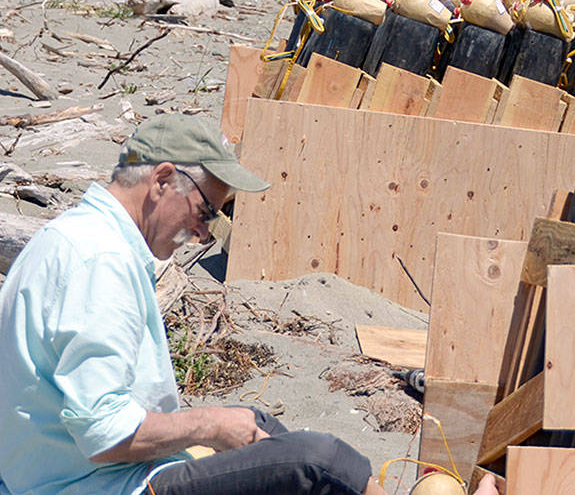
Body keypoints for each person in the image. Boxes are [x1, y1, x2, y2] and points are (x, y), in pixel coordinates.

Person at [0, 114, 386, 495]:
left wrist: (216, 424)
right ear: (162, 180)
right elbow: (106, 434)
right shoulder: (100, 260)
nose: (204, 234)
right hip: (89, 484)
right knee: (317, 462)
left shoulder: (77, 235)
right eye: (205, 213)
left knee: (257, 423)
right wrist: (209, 425)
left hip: (57, 472)